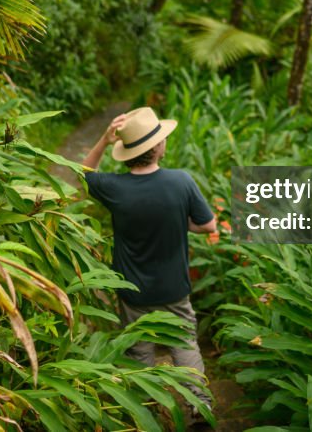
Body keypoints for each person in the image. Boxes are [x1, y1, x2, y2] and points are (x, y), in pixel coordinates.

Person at [81, 106, 217, 420]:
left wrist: (103, 139)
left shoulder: (114, 188)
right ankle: (199, 406)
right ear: (156, 148)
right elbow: (208, 225)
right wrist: (178, 221)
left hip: (133, 289)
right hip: (174, 287)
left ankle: (143, 411)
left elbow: (83, 173)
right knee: (184, 344)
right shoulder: (181, 181)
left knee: (138, 350)